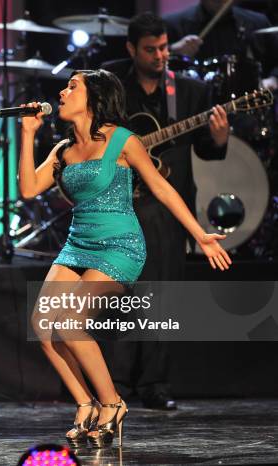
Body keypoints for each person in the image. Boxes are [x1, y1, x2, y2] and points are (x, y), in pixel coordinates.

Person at [20, 69, 231, 448]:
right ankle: (85, 403)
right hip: (78, 244)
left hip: (120, 245)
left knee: (70, 323)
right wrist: (27, 134)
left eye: (73, 87)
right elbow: (28, 188)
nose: (63, 92)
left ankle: (112, 403)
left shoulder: (123, 141)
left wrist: (200, 234)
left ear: (95, 98)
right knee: (42, 324)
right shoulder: (62, 150)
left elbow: (162, 189)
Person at [99, 12, 230, 411]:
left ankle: (155, 382)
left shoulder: (188, 92)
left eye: (164, 49)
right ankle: (116, 381)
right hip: (119, 202)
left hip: (166, 204)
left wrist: (220, 138)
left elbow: (207, 150)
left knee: (162, 294)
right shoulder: (111, 85)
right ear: (131, 49)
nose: (160, 56)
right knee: (121, 292)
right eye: (150, 49)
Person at [164, 0, 278, 90]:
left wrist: (274, 79)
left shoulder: (256, 22)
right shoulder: (173, 24)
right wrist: (173, 52)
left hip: (248, 109)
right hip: (195, 109)